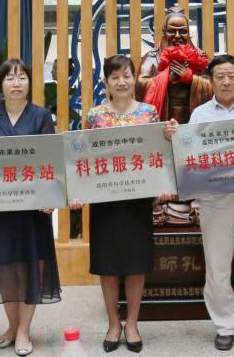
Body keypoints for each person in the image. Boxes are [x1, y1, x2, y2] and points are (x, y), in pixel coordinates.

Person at [164, 54, 234, 352]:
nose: (226, 81)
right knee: (217, 266)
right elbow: (191, 158)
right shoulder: (200, 115)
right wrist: (176, 139)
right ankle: (224, 326)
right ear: (211, 81)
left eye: (231, 76)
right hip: (215, 200)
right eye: (220, 76)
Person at [69, 55, 169, 353]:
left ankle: (133, 323)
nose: (121, 82)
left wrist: (164, 183)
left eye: (126, 75)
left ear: (134, 79)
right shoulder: (95, 115)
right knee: (108, 264)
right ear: (106, 82)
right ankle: (114, 323)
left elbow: (158, 154)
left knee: (137, 262)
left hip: (137, 199)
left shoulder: (149, 113)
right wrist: (77, 190)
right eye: (115, 77)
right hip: (105, 200)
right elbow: (83, 157)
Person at [0, 58, 60, 356]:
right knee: (5, 267)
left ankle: (23, 330)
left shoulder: (41, 116)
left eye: (21, 77)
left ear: (30, 82)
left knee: (31, 266)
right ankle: (11, 325)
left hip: (33, 209)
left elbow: (50, 160)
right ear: (1, 84)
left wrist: (50, 197)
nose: (16, 83)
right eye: (9, 78)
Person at [136, 6, 212, 124]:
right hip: (163, 116)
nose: (177, 36)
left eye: (182, 31)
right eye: (171, 31)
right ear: (164, 32)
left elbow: (214, 85)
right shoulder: (152, 57)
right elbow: (140, 85)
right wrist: (167, 78)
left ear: (188, 33)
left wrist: (191, 78)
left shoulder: (200, 57)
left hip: (193, 116)